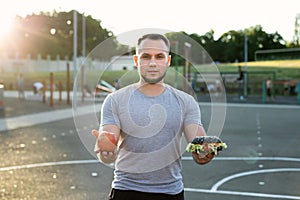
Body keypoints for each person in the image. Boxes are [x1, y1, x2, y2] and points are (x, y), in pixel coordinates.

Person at [92, 33, 216, 200]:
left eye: (159, 56)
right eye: (146, 56)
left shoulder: (186, 102)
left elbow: (198, 149)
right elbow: (108, 151)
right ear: (136, 61)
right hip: (126, 191)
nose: (152, 63)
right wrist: (107, 152)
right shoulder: (115, 100)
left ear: (168, 61)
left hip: (170, 193)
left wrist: (204, 152)